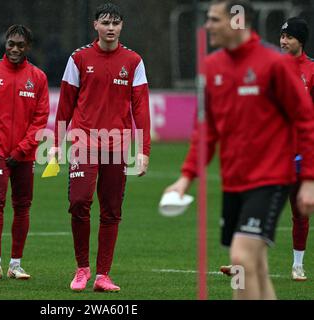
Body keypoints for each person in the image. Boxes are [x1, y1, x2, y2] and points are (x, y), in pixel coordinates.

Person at [164, 0, 314, 300]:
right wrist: (186, 177)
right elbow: (205, 131)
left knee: (241, 260)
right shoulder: (211, 67)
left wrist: (309, 180)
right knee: (254, 267)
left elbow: (305, 119)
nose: (207, 26)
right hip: (234, 181)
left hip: (270, 178)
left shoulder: (275, 64)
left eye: (214, 19)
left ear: (237, 21)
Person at [49, 2, 151, 292]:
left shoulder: (133, 61)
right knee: (79, 202)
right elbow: (65, 103)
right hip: (82, 141)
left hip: (118, 145)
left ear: (122, 27)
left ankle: (103, 275)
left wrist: (143, 150)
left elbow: (141, 108)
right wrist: (57, 143)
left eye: (115, 23)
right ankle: (82, 268)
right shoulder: (79, 58)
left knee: (111, 209)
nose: (110, 28)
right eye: (105, 22)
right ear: (95, 25)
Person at [0, 25, 49, 281]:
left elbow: (40, 119)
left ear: (28, 47)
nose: (14, 49)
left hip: (24, 155)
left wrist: (22, 150)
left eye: (20, 45)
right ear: (5, 44)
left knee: (22, 206)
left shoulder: (38, 77)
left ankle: (15, 264)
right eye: (11, 44)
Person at [280, 17, 314, 281]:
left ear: (300, 41)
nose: (283, 41)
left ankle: (297, 265)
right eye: (282, 36)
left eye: (289, 37)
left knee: (299, 210)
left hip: (301, 151)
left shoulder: (311, 70)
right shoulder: (272, 68)